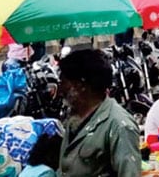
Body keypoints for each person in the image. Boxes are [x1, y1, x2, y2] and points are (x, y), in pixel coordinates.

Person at [58, 48, 141, 177]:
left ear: (81, 85)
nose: (60, 90)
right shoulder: (74, 118)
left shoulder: (119, 125)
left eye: (64, 82)